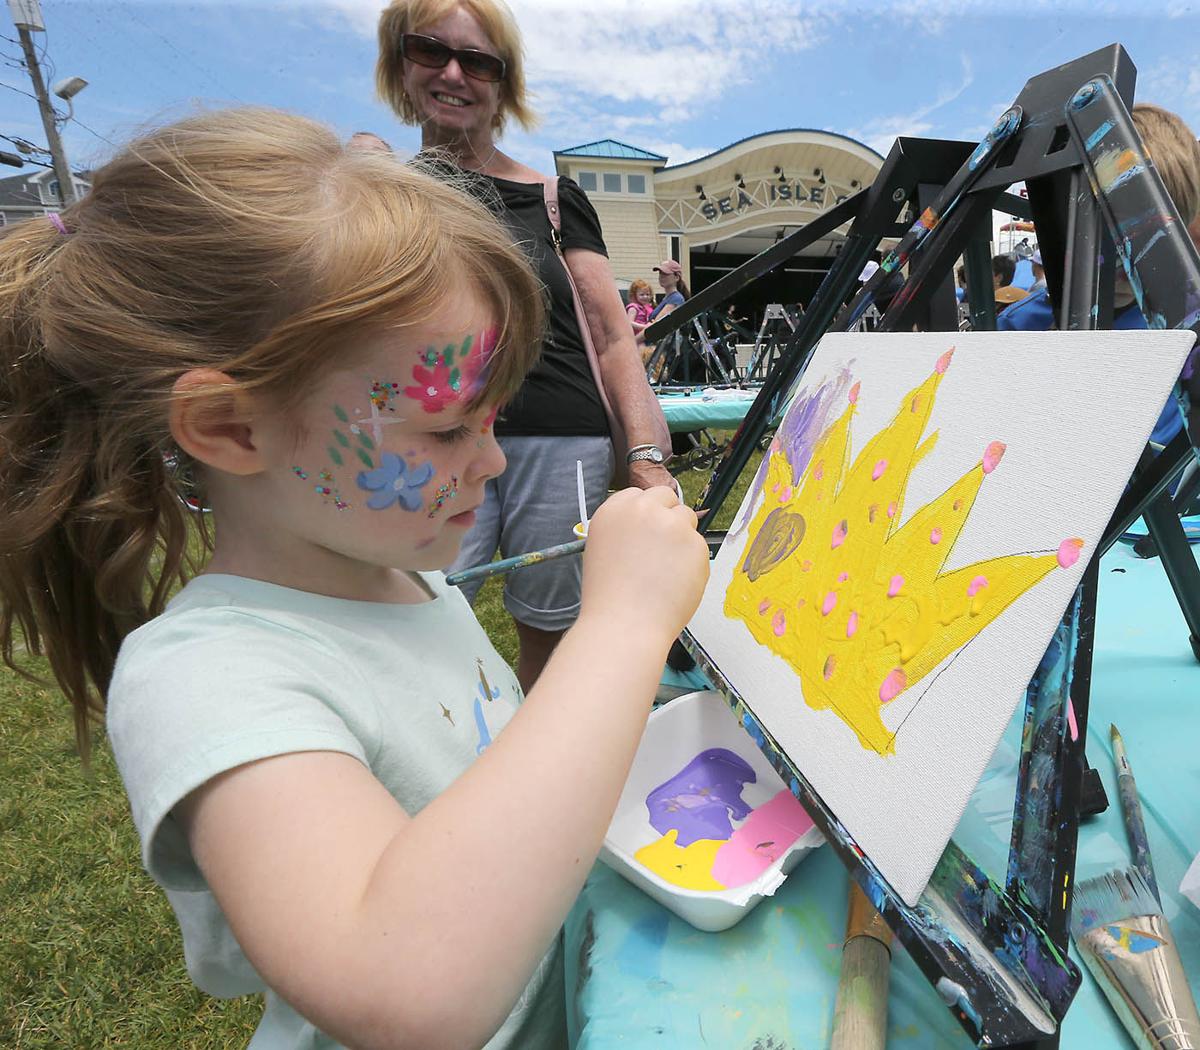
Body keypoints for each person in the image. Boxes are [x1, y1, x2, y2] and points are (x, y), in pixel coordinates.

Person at [0, 108, 710, 1050]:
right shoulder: (208, 677)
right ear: (232, 429)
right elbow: (402, 987)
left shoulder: (408, 581)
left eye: (493, 421)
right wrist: (619, 627)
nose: (492, 464)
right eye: (449, 428)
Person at [376, 0, 674, 691]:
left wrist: (646, 457)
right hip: (433, 439)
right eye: (431, 51)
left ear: (503, 84)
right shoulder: (380, 198)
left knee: (554, 625)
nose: (454, 73)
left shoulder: (551, 197)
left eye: (478, 60)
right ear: (401, 63)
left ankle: (535, 755)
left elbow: (610, 336)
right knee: (419, 614)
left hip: (559, 438)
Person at [998, 103, 1200, 447]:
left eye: (1161, 237)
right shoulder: (1019, 325)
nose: (1132, 257)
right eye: (1114, 231)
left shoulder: (1186, 330)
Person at [626, 277, 655, 353]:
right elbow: (629, 323)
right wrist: (644, 327)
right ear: (634, 295)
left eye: (648, 294)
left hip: (645, 337)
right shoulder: (633, 308)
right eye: (642, 295)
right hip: (636, 337)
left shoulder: (648, 308)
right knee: (642, 354)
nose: (645, 297)